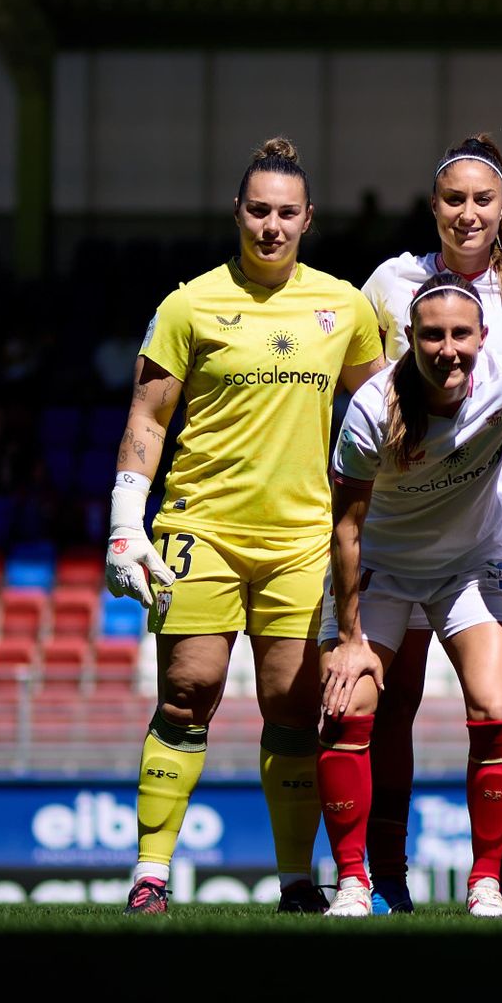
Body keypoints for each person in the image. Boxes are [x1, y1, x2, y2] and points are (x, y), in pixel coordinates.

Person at [105, 137, 384, 915]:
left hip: (303, 540)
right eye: (258, 210)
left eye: (286, 213)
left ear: (308, 218)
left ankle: (296, 882)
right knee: (187, 692)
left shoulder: (346, 307)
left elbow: (381, 415)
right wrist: (126, 523)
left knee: (292, 708)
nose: (271, 226)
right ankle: (150, 875)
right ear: (237, 212)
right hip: (202, 527)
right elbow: (149, 416)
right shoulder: (188, 305)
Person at [359, 135, 502, 914]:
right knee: (393, 701)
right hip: (407, 517)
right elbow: (366, 390)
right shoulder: (392, 283)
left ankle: (501, 879)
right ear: (434, 205)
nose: (468, 213)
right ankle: (385, 878)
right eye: (454, 199)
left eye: (483, 199)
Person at [317, 274, 502, 918]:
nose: (448, 349)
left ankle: (487, 884)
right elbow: (346, 529)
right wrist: (350, 639)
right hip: (383, 566)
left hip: (468, 564)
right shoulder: (372, 408)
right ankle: (354, 883)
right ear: (409, 338)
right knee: (348, 707)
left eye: (460, 334)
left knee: (496, 705)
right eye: (433, 335)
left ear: (483, 337)